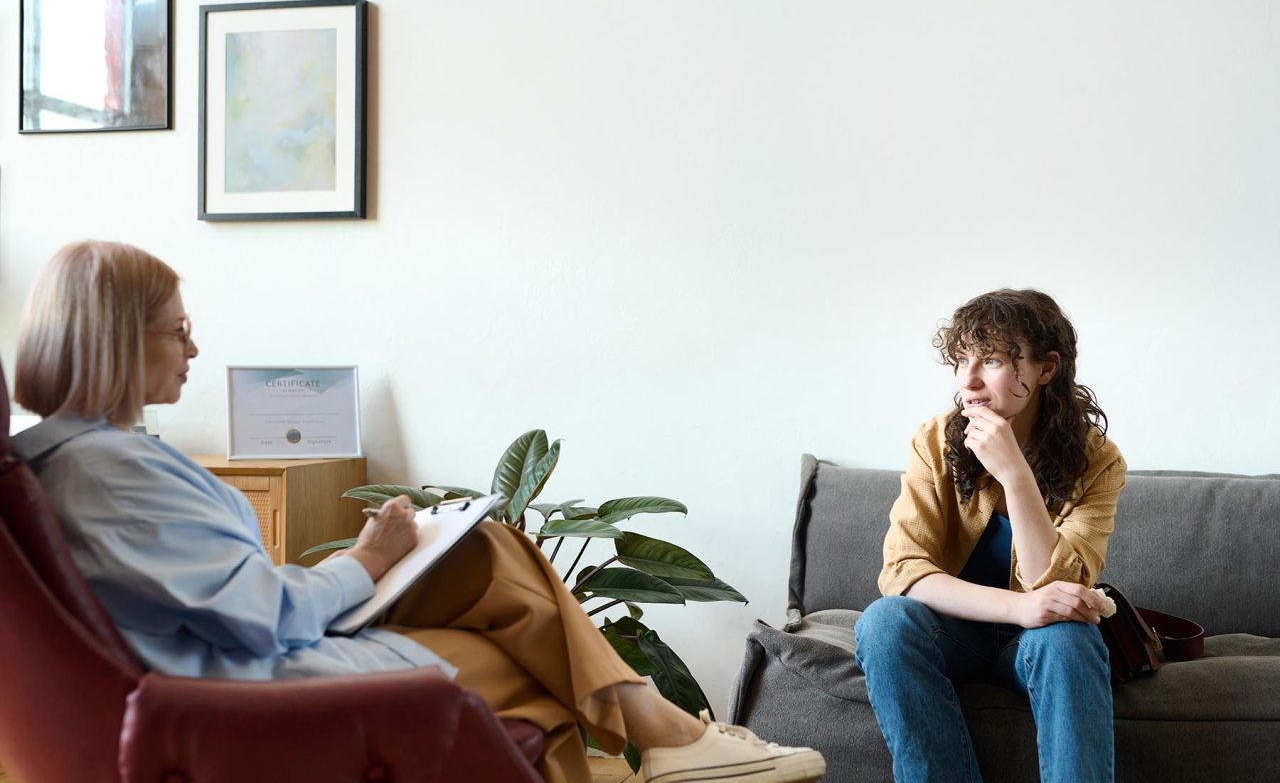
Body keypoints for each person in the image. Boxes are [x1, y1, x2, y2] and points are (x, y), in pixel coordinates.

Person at [10, 239, 827, 783]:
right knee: (523, 665)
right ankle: (673, 739)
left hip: (242, 652)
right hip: (253, 686)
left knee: (489, 551)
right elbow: (258, 618)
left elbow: (219, 593)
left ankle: (668, 740)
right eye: (178, 330)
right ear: (115, 340)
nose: (193, 348)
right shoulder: (110, 474)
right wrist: (363, 562)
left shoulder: (89, 456)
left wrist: (371, 557)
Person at [854, 289, 1126, 783]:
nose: (969, 382)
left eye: (993, 360)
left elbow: (1058, 583)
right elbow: (903, 571)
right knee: (884, 623)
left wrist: (1015, 474)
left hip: (1038, 644)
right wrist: (1018, 608)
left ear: (1046, 368)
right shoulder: (935, 440)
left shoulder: (1098, 460)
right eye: (961, 361)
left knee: (1070, 637)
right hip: (952, 634)